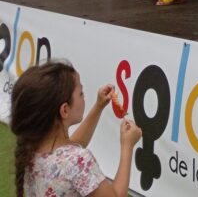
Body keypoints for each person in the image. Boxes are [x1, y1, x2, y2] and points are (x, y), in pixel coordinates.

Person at [10, 61, 142, 197]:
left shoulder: (32, 151)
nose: (83, 96)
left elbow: (69, 150)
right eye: (81, 93)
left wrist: (98, 107)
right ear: (65, 110)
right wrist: (128, 145)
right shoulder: (78, 160)